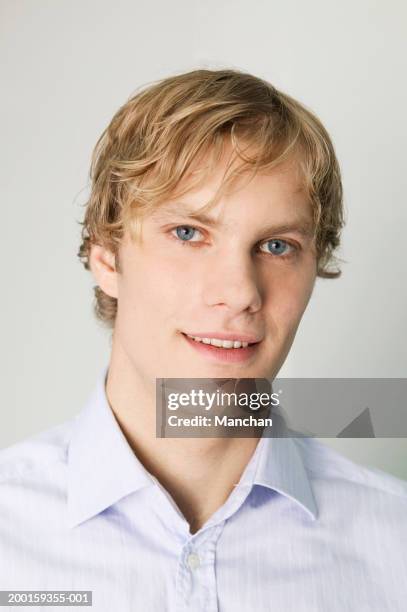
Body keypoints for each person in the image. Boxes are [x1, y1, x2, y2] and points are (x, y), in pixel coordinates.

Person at [1, 68, 406, 611]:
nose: (240, 292)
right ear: (107, 259)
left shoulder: (393, 547)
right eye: (189, 233)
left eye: (278, 246)